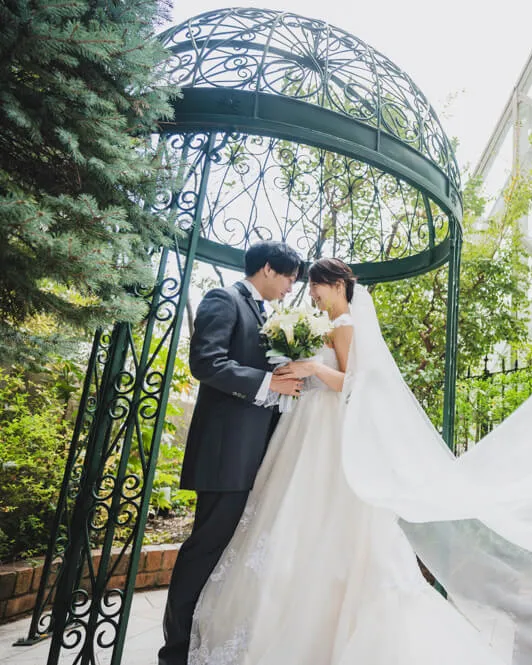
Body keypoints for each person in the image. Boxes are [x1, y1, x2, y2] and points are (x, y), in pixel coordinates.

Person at [188, 257, 505, 665]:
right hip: (302, 429)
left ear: (337, 284)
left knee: (325, 517)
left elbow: (355, 385)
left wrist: (314, 368)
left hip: (328, 431)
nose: (312, 294)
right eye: (308, 287)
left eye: (315, 286)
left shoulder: (345, 324)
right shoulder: (324, 323)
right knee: (290, 516)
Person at [159, 241, 304, 665]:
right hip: (226, 456)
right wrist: (268, 382)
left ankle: (204, 642)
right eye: (289, 276)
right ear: (267, 269)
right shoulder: (223, 299)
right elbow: (206, 362)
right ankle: (175, 653)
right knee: (204, 550)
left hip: (255, 457)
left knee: (228, 555)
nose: (291, 285)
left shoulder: (267, 314)